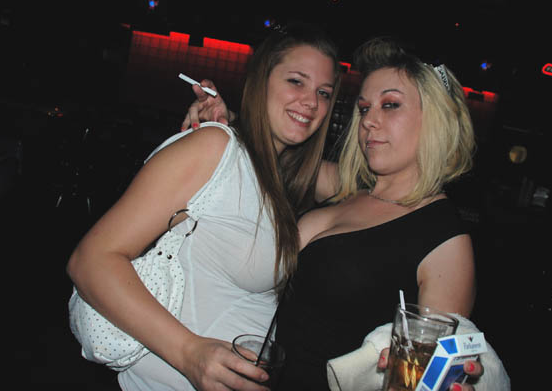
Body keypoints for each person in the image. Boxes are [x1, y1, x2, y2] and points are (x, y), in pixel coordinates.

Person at [181, 37, 509, 390]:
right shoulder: (349, 187)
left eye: (391, 105)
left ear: (436, 120)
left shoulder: (445, 240)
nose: (369, 121)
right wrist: (227, 119)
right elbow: (275, 159)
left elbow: (431, 375)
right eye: (364, 108)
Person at [66, 23, 342, 391]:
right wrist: (189, 353)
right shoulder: (215, 147)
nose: (311, 102)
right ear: (260, 82)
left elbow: (370, 183)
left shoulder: (280, 175)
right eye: (296, 81)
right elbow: (90, 261)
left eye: (324, 93)